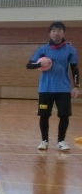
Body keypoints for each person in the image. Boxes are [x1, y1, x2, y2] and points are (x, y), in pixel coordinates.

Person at [26, 21, 79, 151]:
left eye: (59, 30)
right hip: (45, 89)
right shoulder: (42, 49)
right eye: (54, 30)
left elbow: (75, 69)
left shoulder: (70, 50)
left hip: (63, 88)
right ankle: (44, 141)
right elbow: (29, 65)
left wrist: (76, 85)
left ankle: (61, 141)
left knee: (64, 115)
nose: (56, 33)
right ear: (50, 33)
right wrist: (40, 64)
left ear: (63, 33)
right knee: (44, 115)